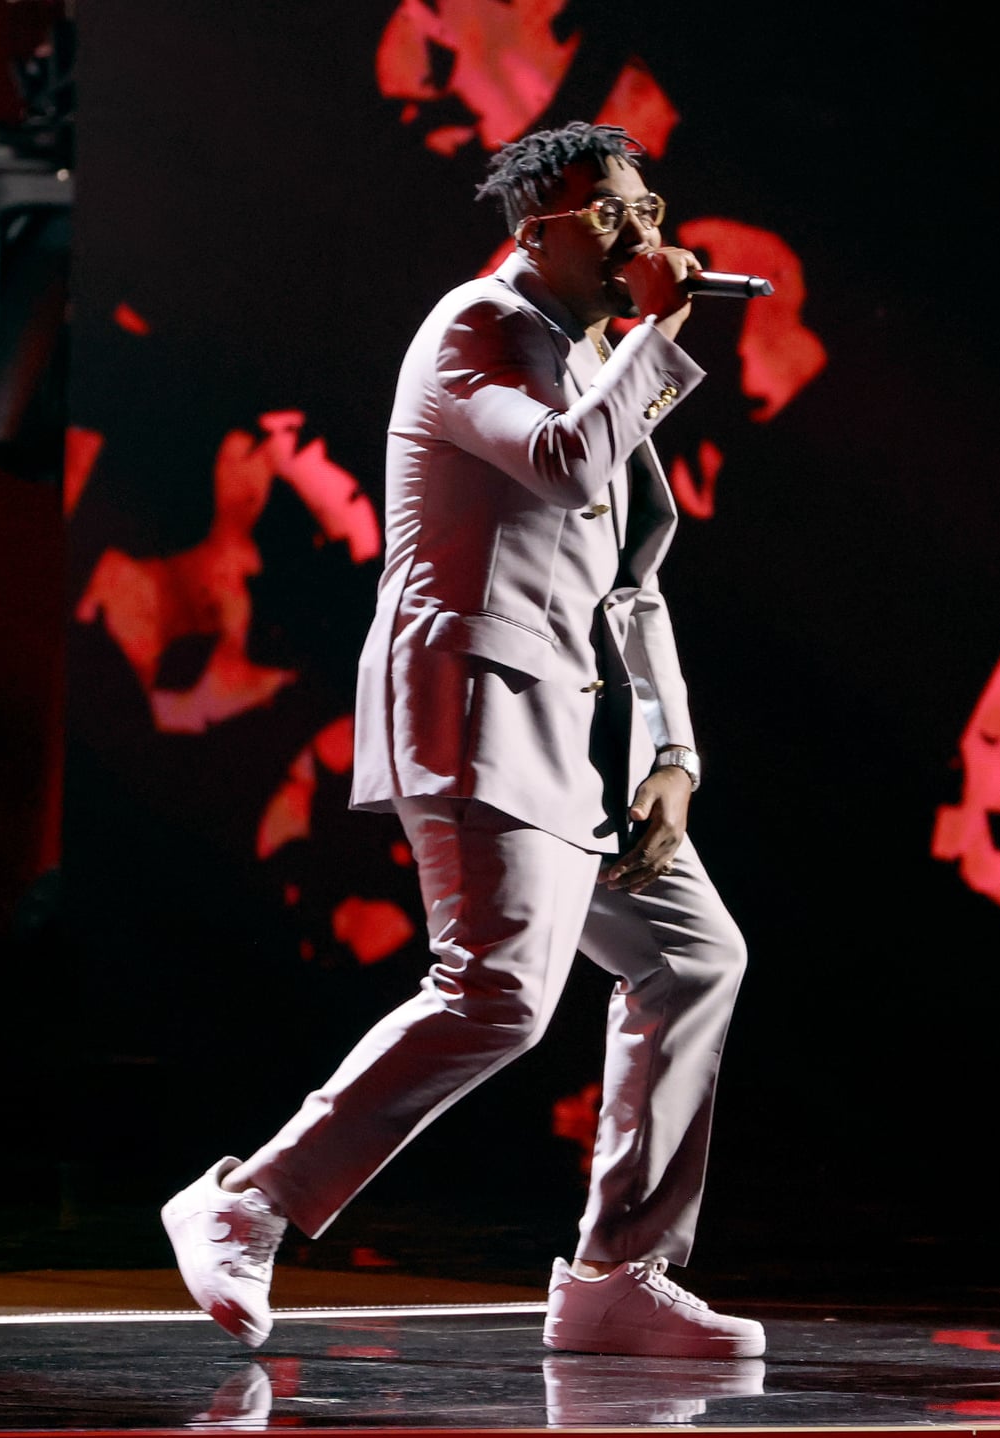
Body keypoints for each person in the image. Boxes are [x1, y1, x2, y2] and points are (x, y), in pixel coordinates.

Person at [161, 122, 761, 1361]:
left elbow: (634, 581)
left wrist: (673, 753)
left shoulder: (593, 355)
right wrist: (655, 334)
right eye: (608, 215)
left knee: (694, 958)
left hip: (568, 727)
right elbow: (555, 460)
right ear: (533, 228)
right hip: (473, 702)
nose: (639, 233)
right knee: (493, 990)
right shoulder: (474, 330)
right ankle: (245, 1199)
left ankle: (615, 1273)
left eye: (644, 208)